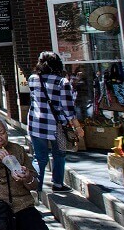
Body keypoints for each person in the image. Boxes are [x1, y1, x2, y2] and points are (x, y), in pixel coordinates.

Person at [28, 52, 84, 192]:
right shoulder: (62, 82)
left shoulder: (33, 79)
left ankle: (35, 189)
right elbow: (68, 108)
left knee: (39, 157)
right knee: (59, 154)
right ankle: (57, 184)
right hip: (57, 125)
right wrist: (77, 127)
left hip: (36, 124)